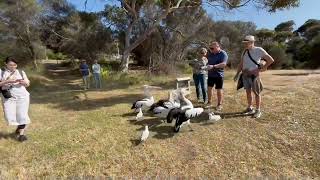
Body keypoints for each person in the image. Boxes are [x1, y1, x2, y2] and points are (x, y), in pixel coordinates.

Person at [234, 35, 274, 118]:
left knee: (257, 93)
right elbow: (241, 63)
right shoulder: (245, 51)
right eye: (244, 43)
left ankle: (258, 110)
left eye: (247, 43)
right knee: (248, 92)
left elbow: (270, 60)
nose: (245, 45)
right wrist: (237, 74)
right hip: (245, 75)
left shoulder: (259, 50)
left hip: (254, 76)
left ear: (252, 42)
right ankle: (250, 108)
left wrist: (261, 69)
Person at [0, 57, 31, 142]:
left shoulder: (21, 72)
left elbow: (27, 83)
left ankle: (22, 135)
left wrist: (24, 83)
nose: (13, 66)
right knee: (9, 115)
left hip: (22, 96)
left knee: (22, 114)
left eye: (14, 65)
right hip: (8, 97)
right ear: (5, 64)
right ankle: (19, 127)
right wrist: (7, 81)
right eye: (10, 65)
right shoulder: (1, 72)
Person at [206, 42, 228, 111]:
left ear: (217, 47)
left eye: (212, 48)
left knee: (219, 89)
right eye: (210, 48)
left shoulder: (223, 53)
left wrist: (213, 66)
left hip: (219, 75)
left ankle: (219, 104)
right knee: (209, 88)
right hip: (210, 74)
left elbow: (224, 64)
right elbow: (207, 62)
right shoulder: (210, 54)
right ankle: (209, 102)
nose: (211, 49)